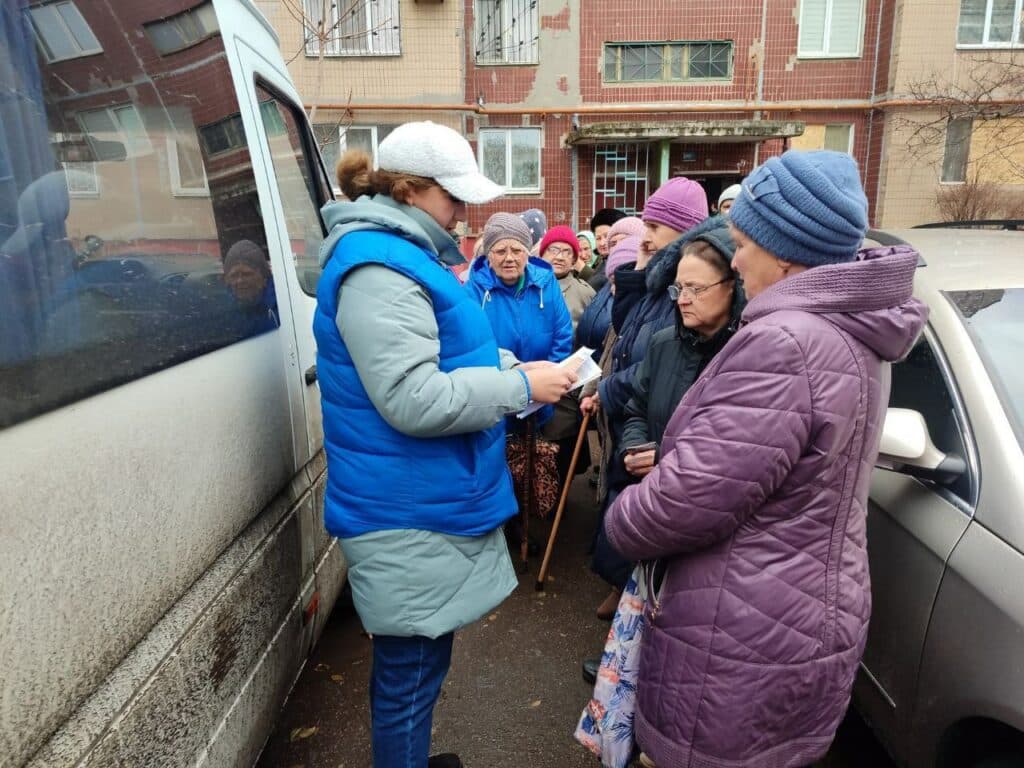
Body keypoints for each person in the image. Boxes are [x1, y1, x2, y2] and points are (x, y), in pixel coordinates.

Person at [604, 150, 928, 768]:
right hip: (803, 608)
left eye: (743, 244)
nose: (736, 260)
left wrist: (623, 514)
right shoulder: (854, 330)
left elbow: (686, 501)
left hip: (741, 626)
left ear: (784, 254)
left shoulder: (785, 343)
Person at [314, 121, 577, 768]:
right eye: (453, 197)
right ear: (409, 189)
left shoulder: (398, 255)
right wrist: (517, 387)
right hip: (406, 507)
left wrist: (501, 362)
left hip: (416, 498)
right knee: (409, 675)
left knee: (421, 664)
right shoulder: (380, 266)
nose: (463, 212)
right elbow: (411, 397)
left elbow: (436, 355)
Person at [582, 176, 709, 622]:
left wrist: (607, 389)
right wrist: (640, 267)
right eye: (647, 221)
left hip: (656, 423)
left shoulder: (689, 290)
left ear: (687, 232)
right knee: (622, 505)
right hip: (635, 416)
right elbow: (626, 331)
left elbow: (656, 364)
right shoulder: (658, 281)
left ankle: (629, 620)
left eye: (657, 224)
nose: (646, 232)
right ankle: (621, 600)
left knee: (640, 521)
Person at [619, 225, 742, 479]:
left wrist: (662, 458)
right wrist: (633, 449)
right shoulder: (662, 344)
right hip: (653, 493)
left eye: (695, 289)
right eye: (678, 288)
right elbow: (637, 411)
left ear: (732, 287)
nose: (682, 299)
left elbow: (736, 452)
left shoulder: (748, 355)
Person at [539, 225, 596, 331]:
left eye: (567, 252)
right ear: (542, 254)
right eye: (553, 250)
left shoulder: (584, 292)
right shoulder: (525, 288)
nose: (560, 257)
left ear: (574, 259)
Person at [587, 208, 627, 282]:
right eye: (598, 238)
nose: (602, 243)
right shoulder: (601, 262)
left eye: (607, 236)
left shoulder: (625, 267)